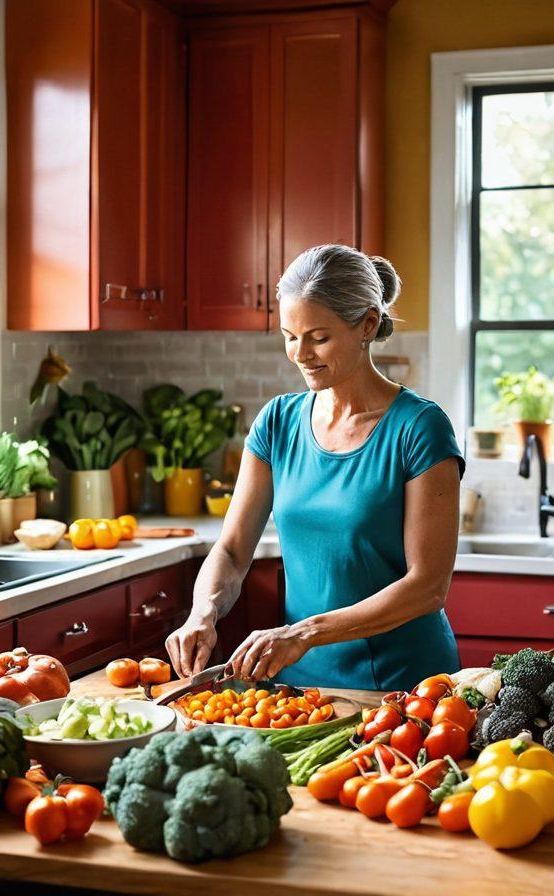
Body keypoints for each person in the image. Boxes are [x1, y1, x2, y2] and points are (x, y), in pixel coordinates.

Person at [165, 244, 465, 691]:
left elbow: (427, 586)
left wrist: (304, 633)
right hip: (301, 683)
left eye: (318, 337)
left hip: (404, 686)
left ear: (366, 325)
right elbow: (231, 551)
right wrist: (202, 614)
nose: (300, 353)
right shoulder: (278, 422)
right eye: (289, 336)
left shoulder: (420, 428)